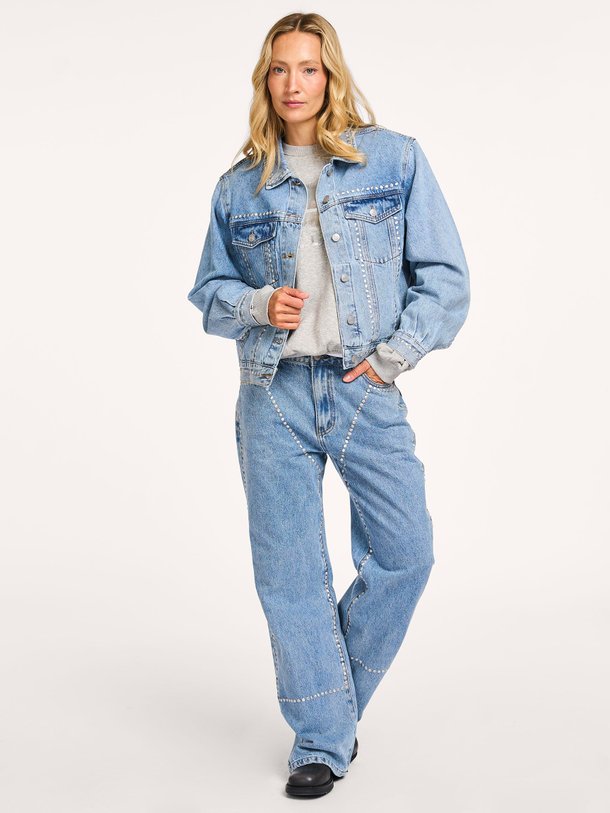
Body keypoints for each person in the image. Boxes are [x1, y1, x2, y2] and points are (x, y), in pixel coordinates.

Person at [187, 12, 470, 799]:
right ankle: (321, 738)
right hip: (271, 392)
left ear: (330, 74)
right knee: (290, 574)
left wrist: (392, 356)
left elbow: (446, 278)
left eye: (308, 68)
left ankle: (327, 703)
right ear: (265, 80)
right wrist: (255, 305)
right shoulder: (238, 186)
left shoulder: (393, 160)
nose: (293, 84)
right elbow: (208, 293)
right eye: (279, 69)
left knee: (407, 553)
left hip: (361, 385)